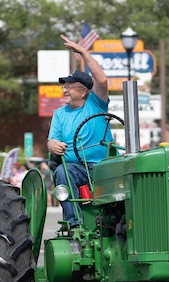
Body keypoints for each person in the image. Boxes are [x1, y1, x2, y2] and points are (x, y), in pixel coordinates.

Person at [47, 33, 110, 228]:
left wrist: (83, 52)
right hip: (78, 169)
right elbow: (51, 141)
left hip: (105, 166)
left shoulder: (96, 103)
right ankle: (75, 225)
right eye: (63, 86)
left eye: (69, 87)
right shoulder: (59, 114)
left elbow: (102, 79)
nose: (64, 90)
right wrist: (53, 145)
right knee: (62, 171)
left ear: (83, 91)